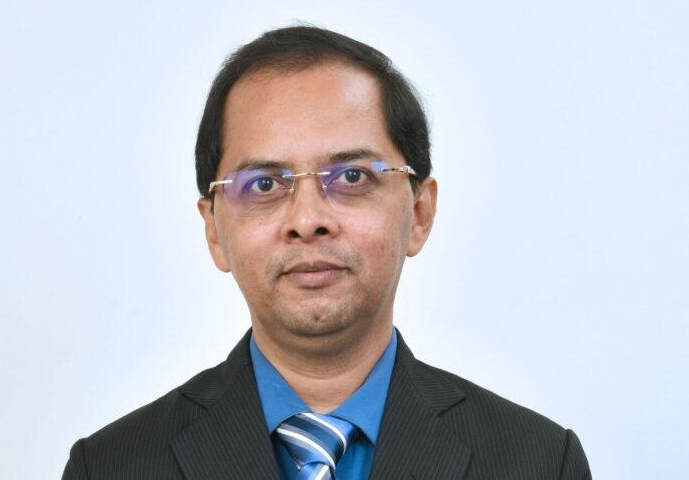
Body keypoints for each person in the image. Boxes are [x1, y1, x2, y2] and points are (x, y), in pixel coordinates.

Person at [62, 25, 591, 480]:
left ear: (419, 213)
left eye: (352, 176)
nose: (307, 219)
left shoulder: (541, 462)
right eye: (264, 183)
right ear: (215, 231)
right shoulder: (110, 467)